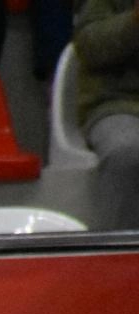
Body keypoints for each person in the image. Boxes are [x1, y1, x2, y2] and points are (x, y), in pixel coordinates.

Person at [75, 0, 139, 229]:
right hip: (119, 103)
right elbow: (89, 47)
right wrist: (134, 20)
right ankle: (119, 248)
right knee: (127, 152)